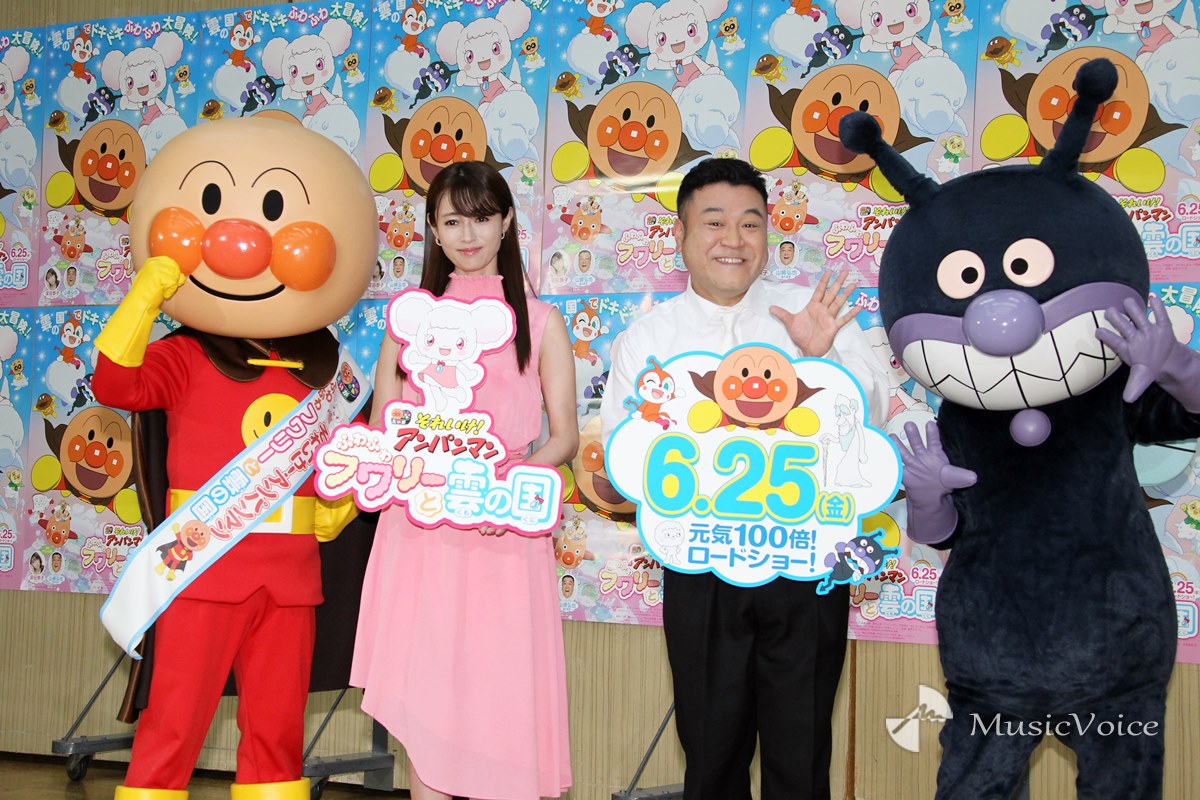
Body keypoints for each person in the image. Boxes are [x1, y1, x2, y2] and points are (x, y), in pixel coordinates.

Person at [600, 157, 887, 800]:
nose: (734, 239)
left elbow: (872, 421)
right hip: (700, 566)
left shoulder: (811, 315)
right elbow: (626, 457)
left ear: (768, 234)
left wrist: (821, 360)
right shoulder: (648, 338)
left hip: (806, 563)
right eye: (715, 222)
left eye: (750, 223)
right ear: (680, 234)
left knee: (800, 754)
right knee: (710, 754)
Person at [351, 161, 577, 800]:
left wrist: (505, 490)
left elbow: (563, 437)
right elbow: (385, 426)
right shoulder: (407, 323)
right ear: (432, 229)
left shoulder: (541, 322)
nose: (468, 234)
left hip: (500, 528)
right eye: (453, 221)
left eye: (482, 218)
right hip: (419, 528)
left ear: (506, 222)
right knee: (423, 700)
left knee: (501, 694)